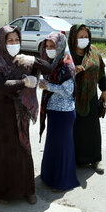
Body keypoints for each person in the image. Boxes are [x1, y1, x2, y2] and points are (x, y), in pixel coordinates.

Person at [0, 25, 52, 204]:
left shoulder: (22, 60)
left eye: (17, 40)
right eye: (9, 40)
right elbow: (0, 85)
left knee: (23, 151)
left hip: (19, 115)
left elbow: (49, 69)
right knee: (1, 153)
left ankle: (28, 190)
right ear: (0, 42)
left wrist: (33, 60)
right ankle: (3, 193)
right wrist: (23, 82)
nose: (14, 44)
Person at [37, 32, 80, 191]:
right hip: (53, 111)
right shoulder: (52, 62)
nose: (49, 49)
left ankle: (61, 181)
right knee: (53, 146)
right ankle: (49, 177)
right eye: (47, 46)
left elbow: (68, 90)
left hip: (64, 113)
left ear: (60, 46)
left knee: (62, 148)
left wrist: (48, 86)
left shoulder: (66, 64)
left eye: (52, 46)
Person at [68, 24, 106, 174]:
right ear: (73, 38)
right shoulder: (67, 55)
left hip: (90, 96)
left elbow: (101, 72)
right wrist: (73, 71)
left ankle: (95, 159)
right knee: (75, 130)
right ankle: (75, 160)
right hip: (71, 98)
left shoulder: (94, 53)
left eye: (86, 37)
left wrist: (104, 90)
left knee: (92, 129)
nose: (84, 40)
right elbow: (57, 75)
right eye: (80, 37)